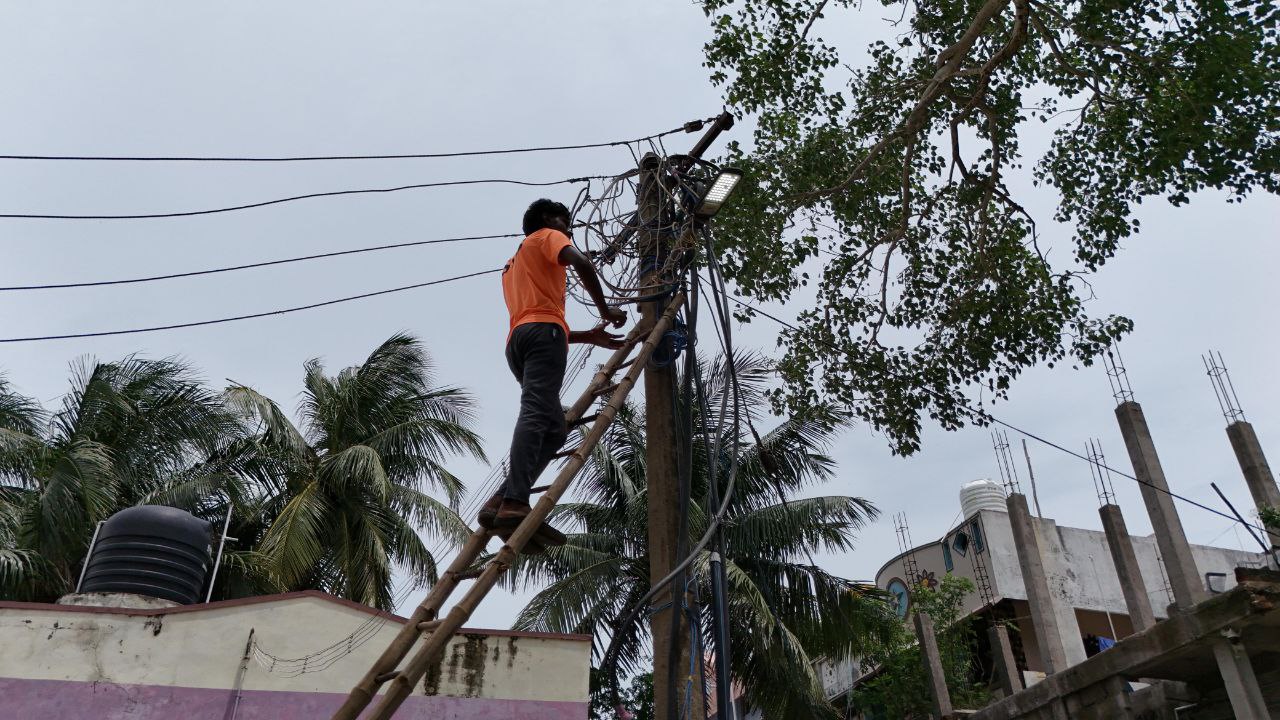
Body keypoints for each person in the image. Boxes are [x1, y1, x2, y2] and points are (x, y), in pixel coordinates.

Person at [478, 199, 628, 548]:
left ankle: (500, 500)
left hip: (520, 341)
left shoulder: (512, 265)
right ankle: (515, 502)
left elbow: (538, 314)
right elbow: (581, 263)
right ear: (547, 219)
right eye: (565, 220)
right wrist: (605, 309)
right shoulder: (545, 236)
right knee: (535, 413)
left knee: (554, 429)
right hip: (543, 337)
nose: (569, 228)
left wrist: (586, 336)